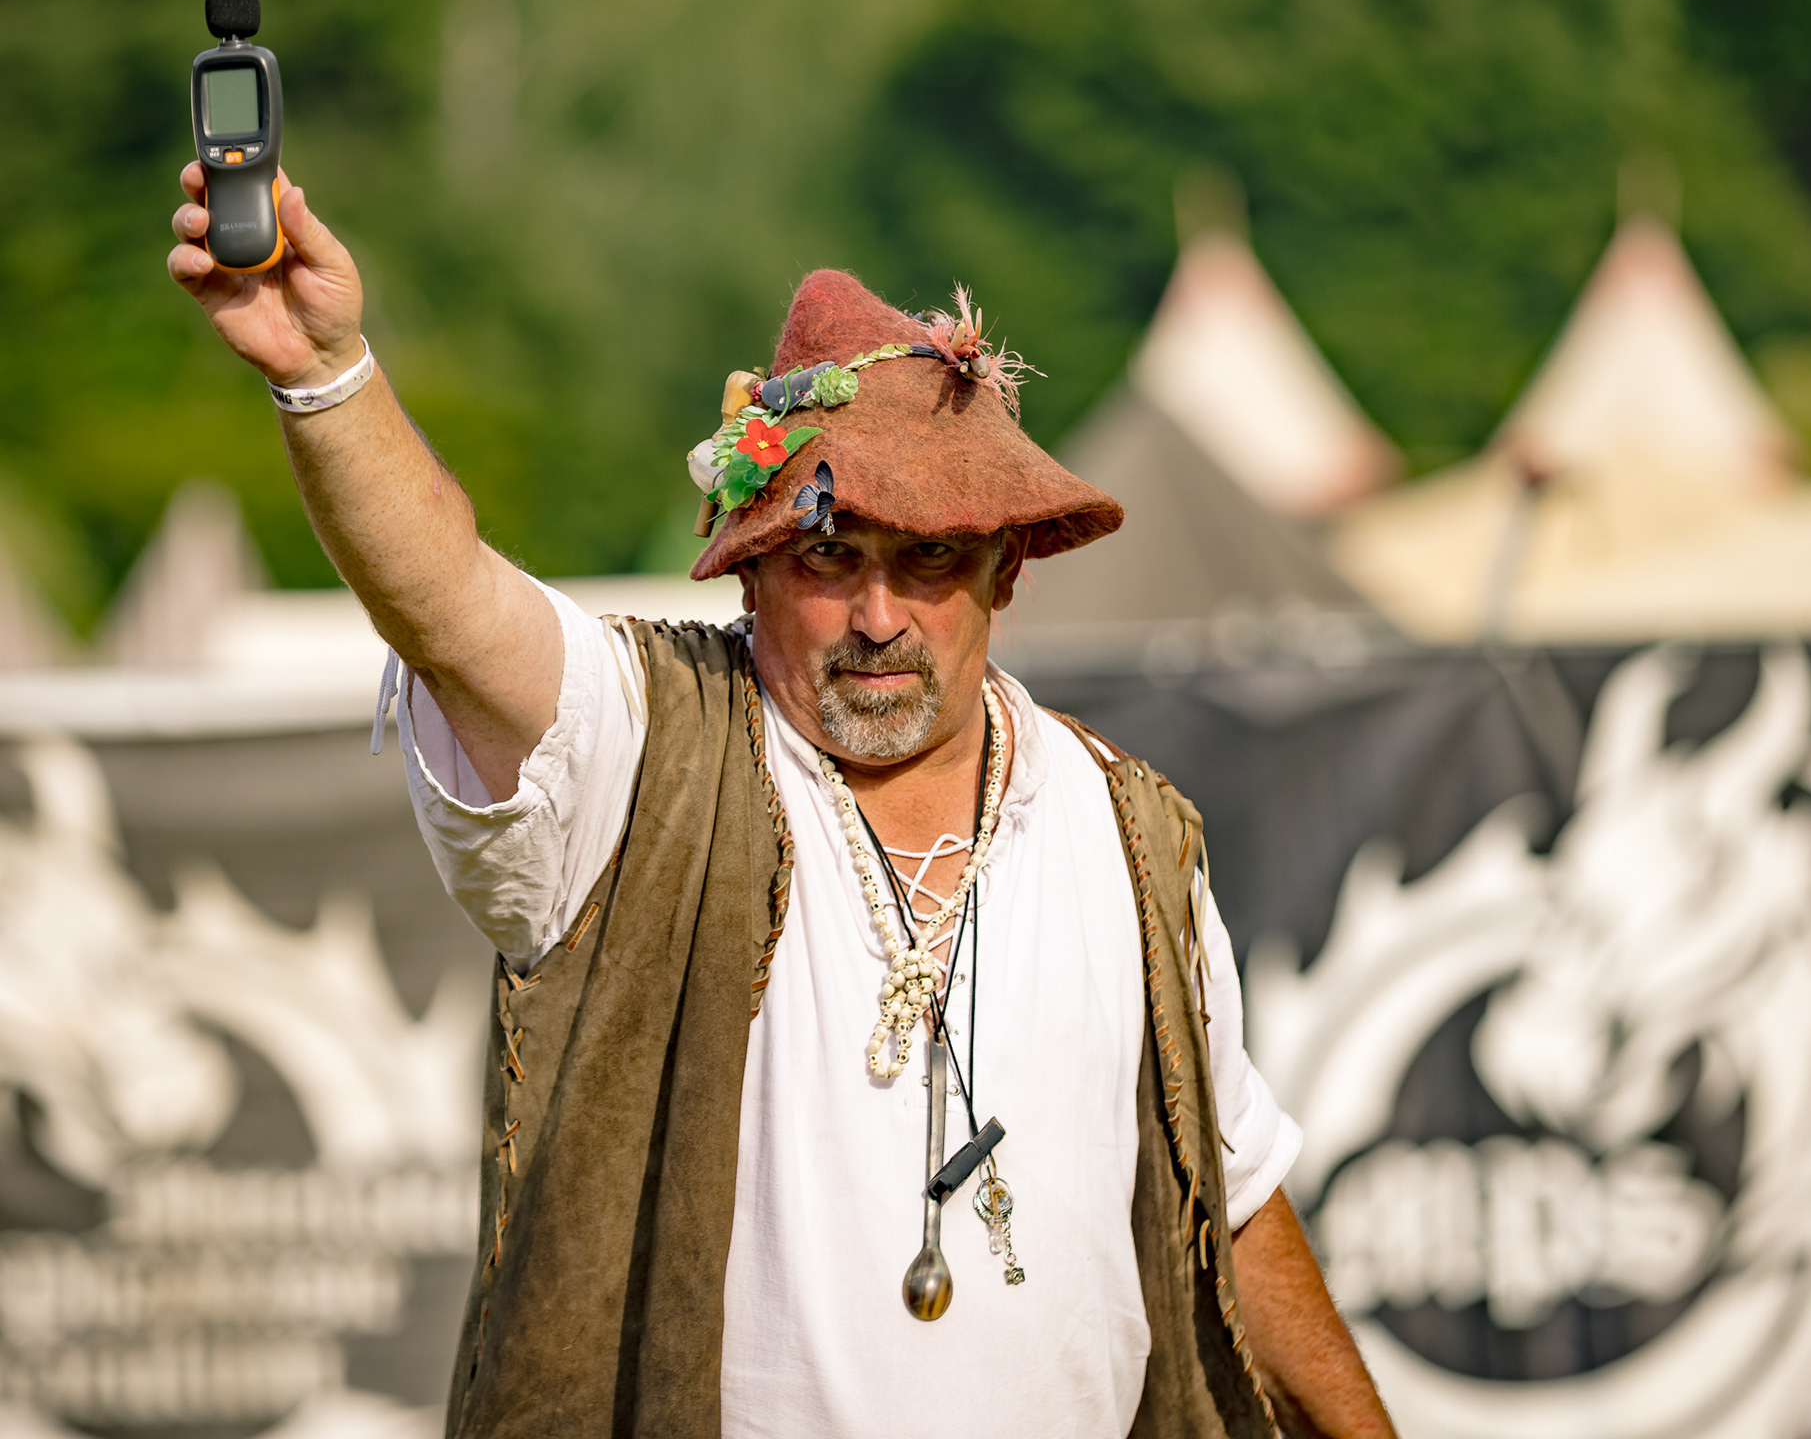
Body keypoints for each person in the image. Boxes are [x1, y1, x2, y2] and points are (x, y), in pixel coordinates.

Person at [168, 162, 1397, 1439]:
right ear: (751, 568)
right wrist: (326, 374)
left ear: (1003, 573)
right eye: (829, 557)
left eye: (928, 559)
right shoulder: (649, 751)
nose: (877, 616)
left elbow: (1234, 1193)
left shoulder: (1129, 829)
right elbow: (451, 607)